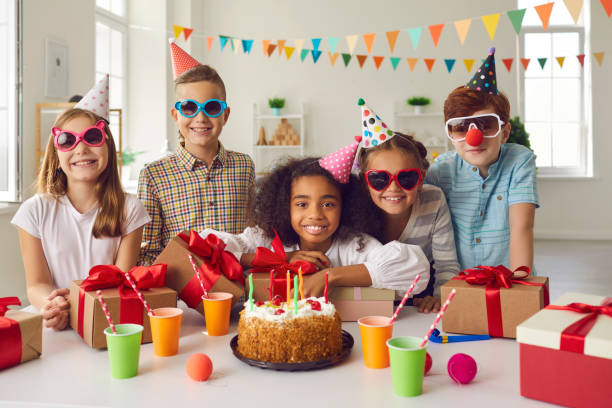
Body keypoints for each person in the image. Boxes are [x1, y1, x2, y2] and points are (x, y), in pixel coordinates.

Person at [201, 139, 430, 297]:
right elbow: (203, 249)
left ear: (345, 206)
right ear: (285, 206)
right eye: (302, 204)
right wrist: (279, 259)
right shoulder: (265, 238)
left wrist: (329, 276)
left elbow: (415, 270)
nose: (315, 215)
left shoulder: (355, 246)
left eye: (328, 204)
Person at [11, 75, 150, 330]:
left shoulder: (130, 210)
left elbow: (119, 282)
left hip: (105, 321)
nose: (81, 149)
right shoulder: (35, 211)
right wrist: (51, 305)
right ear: (56, 152)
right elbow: (37, 284)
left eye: (92, 137)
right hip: (55, 325)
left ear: (108, 145)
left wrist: (78, 306)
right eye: (67, 140)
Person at [137, 40, 255, 266]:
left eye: (211, 108)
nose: (200, 118)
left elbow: (251, 238)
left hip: (238, 288)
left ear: (225, 115)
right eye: (189, 108)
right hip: (181, 294)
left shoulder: (244, 166)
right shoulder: (153, 175)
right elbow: (148, 253)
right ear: (175, 115)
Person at [426, 48, 539, 271]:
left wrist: (519, 287)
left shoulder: (519, 160)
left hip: (509, 280)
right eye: (460, 128)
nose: (473, 138)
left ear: (504, 133)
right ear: (451, 134)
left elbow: (522, 226)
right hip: (458, 282)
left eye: (486, 125)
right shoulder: (441, 170)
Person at [356, 99, 460, 313]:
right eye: (379, 179)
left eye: (406, 178)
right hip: (367, 297)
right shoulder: (354, 208)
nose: (393, 188)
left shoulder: (434, 201)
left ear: (421, 179)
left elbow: (446, 265)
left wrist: (439, 296)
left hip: (419, 297)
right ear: (365, 182)